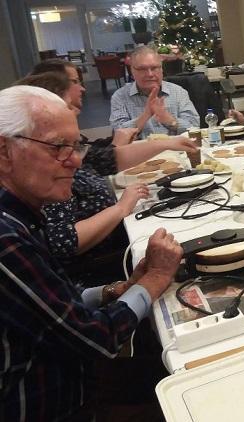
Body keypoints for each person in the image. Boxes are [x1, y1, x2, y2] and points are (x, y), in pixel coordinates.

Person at [0, 85, 182, 421]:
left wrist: (115, 290)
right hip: (56, 404)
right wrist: (155, 278)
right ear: (5, 151)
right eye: (58, 147)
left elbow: (52, 303)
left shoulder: (22, 216)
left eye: (75, 146)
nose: (74, 160)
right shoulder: (6, 237)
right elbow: (95, 339)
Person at [15, 71, 198, 286]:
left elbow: (109, 159)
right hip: (107, 266)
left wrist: (166, 143)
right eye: (74, 83)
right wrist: (120, 208)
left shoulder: (65, 150)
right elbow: (63, 241)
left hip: (123, 239)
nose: (82, 89)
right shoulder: (49, 174)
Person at [110, 45, 199, 137]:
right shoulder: (120, 96)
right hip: (141, 150)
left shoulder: (178, 92)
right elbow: (119, 134)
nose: (150, 74)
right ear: (132, 71)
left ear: (161, 69)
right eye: (142, 69)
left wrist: (169, 120)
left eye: (154, 68)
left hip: (176, 149)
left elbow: (194, 127)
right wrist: (146, 114)